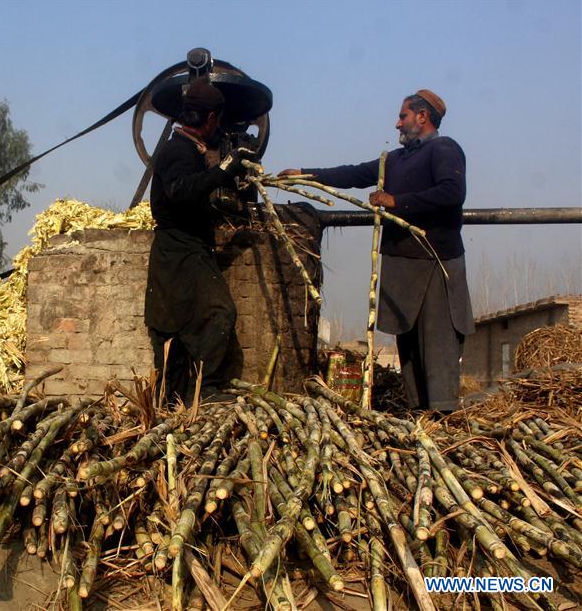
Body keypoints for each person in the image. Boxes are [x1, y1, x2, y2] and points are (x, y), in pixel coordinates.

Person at [281, 89, 474, 412]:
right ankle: (418, 414)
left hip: (435, 262)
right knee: (408, 343)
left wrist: (397, 202)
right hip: (401, 265)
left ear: (422, 117)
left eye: (403, 116)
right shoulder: (394, 160)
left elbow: (452, 192)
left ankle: (444, 415)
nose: (397, 124)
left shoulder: (444, 149)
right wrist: (304, 175)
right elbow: (354, 173)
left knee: (438, 340)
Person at [144, 77, 253, 404]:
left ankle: (176, 405)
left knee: (177, 327)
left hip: (182, 250)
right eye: (216, 121)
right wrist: (225, 169)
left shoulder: (186, 149)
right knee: (219, 312)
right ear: (209, 120)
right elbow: (180, 191)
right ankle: (204, 391)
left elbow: (191, 192)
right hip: (180, 252)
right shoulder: (177, 150)